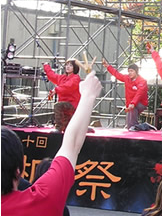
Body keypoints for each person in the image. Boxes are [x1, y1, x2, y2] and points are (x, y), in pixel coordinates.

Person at [1, 70, 102, 215]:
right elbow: (72, 145)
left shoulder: (73, 78)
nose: (67, 67)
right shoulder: (42, 199)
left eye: (69, 65)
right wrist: (88, 95)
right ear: (18, 171)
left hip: (69, 104)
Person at [102, 59, 149, 131]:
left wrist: (133, 103)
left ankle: (134, 127)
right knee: (129, 121)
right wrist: (108, 66)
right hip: (130, 104)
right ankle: (138, 127)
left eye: (132, 71)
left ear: (136, 71)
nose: (130, 73)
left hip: (141, 103)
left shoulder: (142, 81)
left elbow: (139, 94)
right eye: (129, 71)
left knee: (132, 111)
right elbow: (117, 74)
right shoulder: (127, 78)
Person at [43, 59, 81, 132]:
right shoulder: (62, 77)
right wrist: (46, 66)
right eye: (67, 65)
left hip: (72, 104)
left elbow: (68, 87)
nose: (68, 67)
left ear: (75, 67)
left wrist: (56, 90)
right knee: (67, 128)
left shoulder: (76, 78)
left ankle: (59, 128)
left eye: (70, 65)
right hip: (64, 104)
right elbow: (52, 76)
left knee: (58, 105)